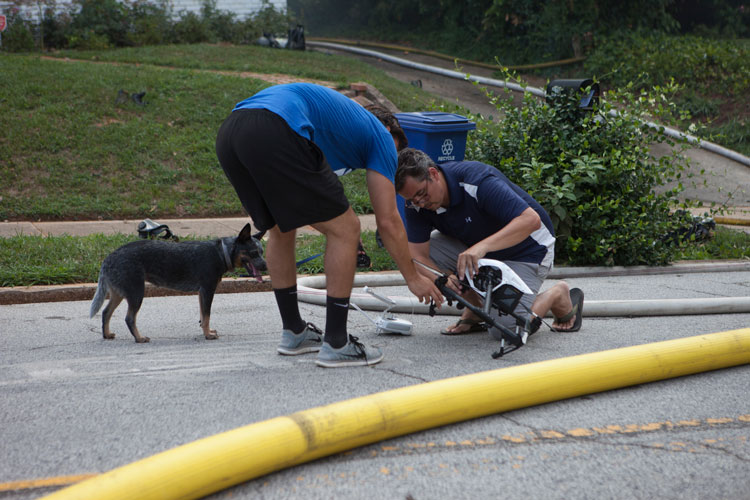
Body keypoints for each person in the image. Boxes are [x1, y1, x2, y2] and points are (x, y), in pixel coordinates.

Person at [215, 83, 443, 368]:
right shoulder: (381, 138)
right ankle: (337, 342)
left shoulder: (336, 129)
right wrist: (412, 277)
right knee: (348, 229)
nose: (388, 165)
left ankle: (294, 333)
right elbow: (388, 221)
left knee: (282, 229)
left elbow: (318, 195)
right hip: (274, 126)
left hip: (232, 132)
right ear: (389, 134)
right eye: (393, 158)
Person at [394, 147, 583, 339]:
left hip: (528, 249)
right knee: (416, 258)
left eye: (422, 194)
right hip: (479, 248)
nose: (421, 203)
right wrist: (441, 278)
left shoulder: (477, 181)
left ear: (433, 174)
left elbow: (530, 221)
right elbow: (417, 254)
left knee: (507, 330)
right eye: (412, 200)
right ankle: (477, 308)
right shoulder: (416, 205)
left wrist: (481, 247)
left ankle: (557, 294)